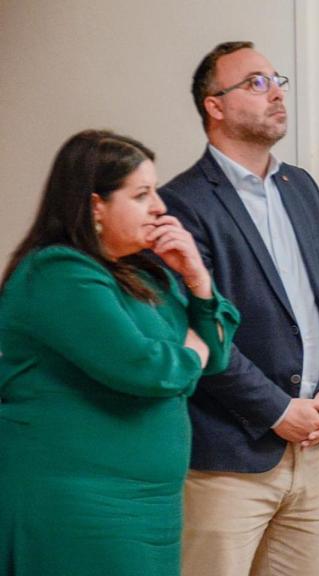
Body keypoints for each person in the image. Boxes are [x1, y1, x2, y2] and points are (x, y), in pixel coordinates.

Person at [159, 41, 319, 576]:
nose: (275, 93)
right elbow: (199, 331)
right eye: (255, 82)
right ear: (214, 105)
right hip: (229, 457)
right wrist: (277, 410)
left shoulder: (302, 188)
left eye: (277, 80)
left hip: (314, 449)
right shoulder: (183, 202)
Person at [0, 130, 239, 576]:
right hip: (77, 502)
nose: (160, 208)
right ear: (95, 205)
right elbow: (145, 369)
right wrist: (192, 353)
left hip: (151, 505)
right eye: (141, 194)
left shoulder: (147, 272)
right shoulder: (57, 272)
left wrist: (196, 277)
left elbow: (219, 351)